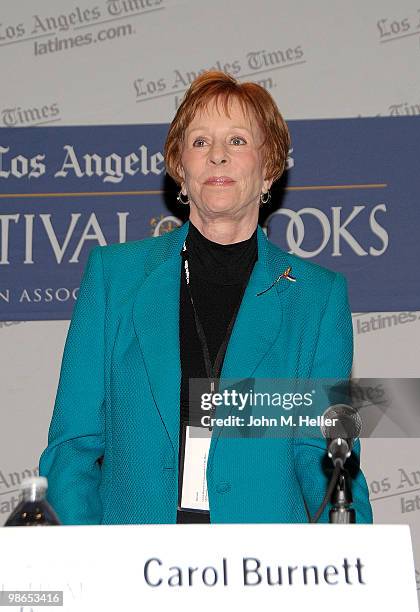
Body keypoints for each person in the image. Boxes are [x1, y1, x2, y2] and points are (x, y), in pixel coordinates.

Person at [39, 71, 373, 525]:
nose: (217, 155)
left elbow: (325, 460)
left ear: (269, 167)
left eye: (237, 141)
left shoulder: (317, 300)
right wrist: (86, 572)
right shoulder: (114, 279)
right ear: (180, 168)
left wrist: (357, 570)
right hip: (132, 573)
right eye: (200, 142)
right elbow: (73, 449)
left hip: (266, 577)